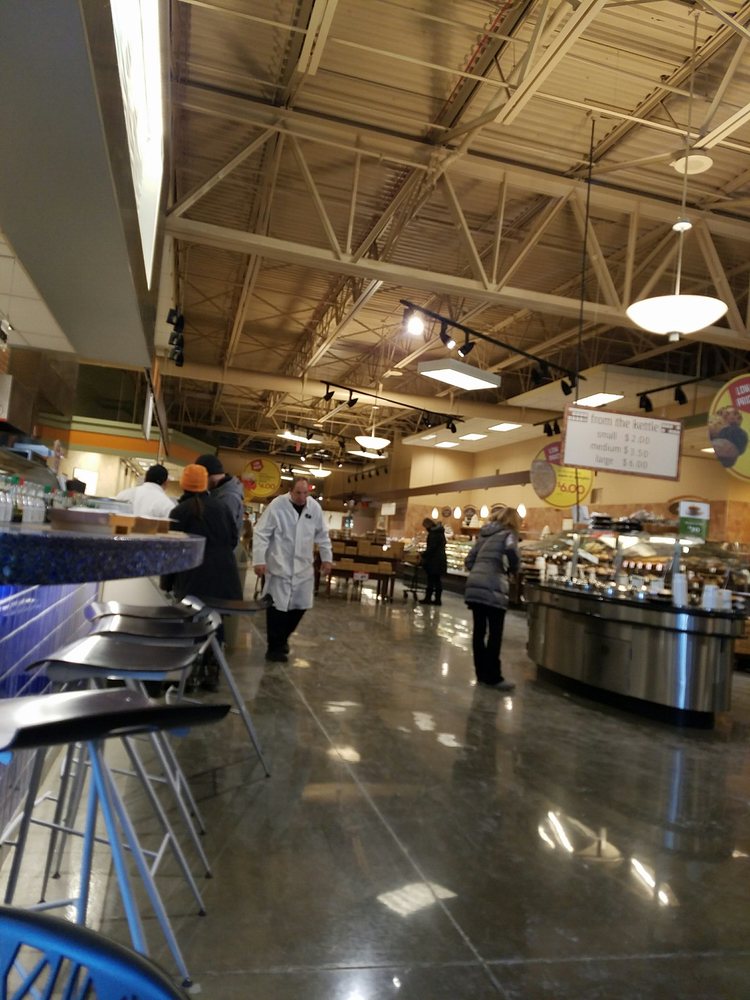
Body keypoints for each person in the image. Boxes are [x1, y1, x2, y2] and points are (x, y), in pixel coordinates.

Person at [167, 464, 243, 691]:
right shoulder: (222, 507)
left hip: (193, 578)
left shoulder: (179, 512)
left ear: (184, 484)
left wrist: (167, 583)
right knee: (214, 623)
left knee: (191, 625)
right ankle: (211, 673)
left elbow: (173, 552)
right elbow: (233, 539)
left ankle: (188, 676)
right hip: (224, 577)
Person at [252, 476, 333, 663]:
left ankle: (282, 639)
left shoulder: (314, 508)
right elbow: (261, 533)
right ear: (290, 491)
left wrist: (327, 559)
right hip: (279, 565)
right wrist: (259, 560)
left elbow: (322, 535)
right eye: (298, 493)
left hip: (303, 567)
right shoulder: (277, 505)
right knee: (276, 608)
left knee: (301, 605)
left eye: (305, 493)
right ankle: (274, 649)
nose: (302, 497)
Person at [464, 506, 521, 691]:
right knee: (495, 632)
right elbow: (512, 551)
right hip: (494, 585)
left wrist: (479, 571)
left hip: (475, 586)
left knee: (479, 631)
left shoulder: (484, 534)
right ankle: (494, 677)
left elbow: (469, 560)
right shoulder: (509, 534)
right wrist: (513, 570)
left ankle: (481, 674)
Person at [195, 453, 244, 535]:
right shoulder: (221, 492)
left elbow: (222, 532)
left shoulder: (228, 497)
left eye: (202, 478)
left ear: (208, 475)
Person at [419, 517, 447, 605]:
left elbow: (431, 548)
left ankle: (428, 598)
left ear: (428, 525)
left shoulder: (434, 534)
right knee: (437, 580)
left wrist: (423, 554)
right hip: (440, 560)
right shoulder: (440, 533)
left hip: (434, 561)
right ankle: (437, 599)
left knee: (431, 580)